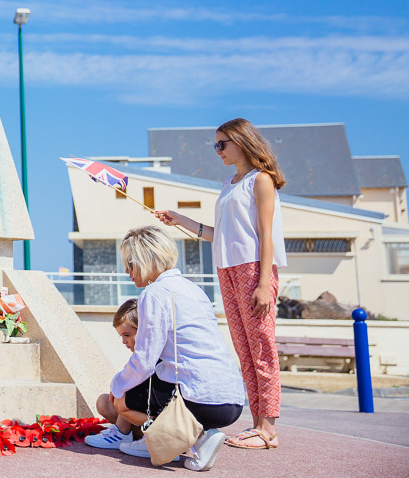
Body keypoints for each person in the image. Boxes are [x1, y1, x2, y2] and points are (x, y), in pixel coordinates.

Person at [158, 118, 287, 450]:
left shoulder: (261, 180)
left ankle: (268, 429)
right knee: (245, 350)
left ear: (241, 142)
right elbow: (221, 235)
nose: (217, 151)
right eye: (215, 145)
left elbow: (266, 235)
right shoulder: (229, 183)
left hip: (254, 270)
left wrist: (263, 283)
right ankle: (257, 425)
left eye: (221, 144)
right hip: (227, 270)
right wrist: (180, 219)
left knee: (262, 349)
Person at [109, 226, 245, 471]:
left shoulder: (155, 293)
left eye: (130, 263)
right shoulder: (193, 289)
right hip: (232, 400)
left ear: (146, 259)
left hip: (199, 399)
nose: (127, 271)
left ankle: (183, 440)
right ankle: (174, 438)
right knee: (145, 387)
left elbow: (145, 360)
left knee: (122, 401)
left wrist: (117, 385)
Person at [85, 299, 150, 450]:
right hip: (145, 416)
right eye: (121, 336)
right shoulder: (137, 356)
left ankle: (122, 433)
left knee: (124, 393)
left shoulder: (153, 355)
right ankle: (134, 436)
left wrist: (119, 387)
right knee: (104, 402)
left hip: (163, 417)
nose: (123, 341)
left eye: (127, 335)